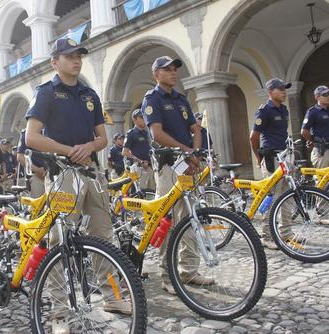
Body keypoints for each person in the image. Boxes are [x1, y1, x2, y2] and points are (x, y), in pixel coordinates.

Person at [25, 37, 129, 333]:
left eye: (79, 55)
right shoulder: (45, 93)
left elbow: (102, 138)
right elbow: (31, 137)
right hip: (61, 173)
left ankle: (112, 297)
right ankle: (59, 312)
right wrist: (67, 149)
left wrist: (87, 146)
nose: (76, 60)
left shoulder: (90, 94)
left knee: (103, 237)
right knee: (61, 243)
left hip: (91, 171)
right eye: (69, 56)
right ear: (54, 62)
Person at [142, 55, 211, 294]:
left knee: (190, 217)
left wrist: (195, 152)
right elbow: (157, 133)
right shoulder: (153, 99)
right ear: (156, 74)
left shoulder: (182, 99)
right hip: (169, 164)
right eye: (167, 69)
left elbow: (195, 128)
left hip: (188, 164)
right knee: (168, 220)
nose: (173, 73)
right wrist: (186, 151)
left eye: (174, 69)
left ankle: (189, 271)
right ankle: (168, 275)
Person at [250, 78, 294, 250]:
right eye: (280, 89)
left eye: (285, 89)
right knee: (271, 196)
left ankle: (286, 232)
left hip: (284, 156)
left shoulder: (284, 109)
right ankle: (266, 235)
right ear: (270, 92)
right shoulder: (264, 111)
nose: (284, 92)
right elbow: (253, 137)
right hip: (271, 157)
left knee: (287, 195)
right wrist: (257, 156)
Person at [123, 109, 156, 190]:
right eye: (141, 117)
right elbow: (125, 152)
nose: (144, 119)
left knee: (152, 192)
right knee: (141, 193)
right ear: (134, 119)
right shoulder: (131, 133)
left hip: (149, 166)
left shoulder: (145, 133)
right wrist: (140, 161)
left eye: (144, 117)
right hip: (139, 168)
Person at [301, 85, 329, 168]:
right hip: (322, 152)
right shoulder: (312, 112)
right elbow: (304, 131)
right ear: (317, 97)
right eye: (324, 95)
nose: (328, 96)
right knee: (324, 179)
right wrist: (314, 141)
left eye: (328, 94)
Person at [16, 129, 45, 198]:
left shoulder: (54, 128)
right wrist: (37, 170)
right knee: (38, 206)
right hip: (37, 176)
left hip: (56, 175)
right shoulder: (27, 132)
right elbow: (20, 157)